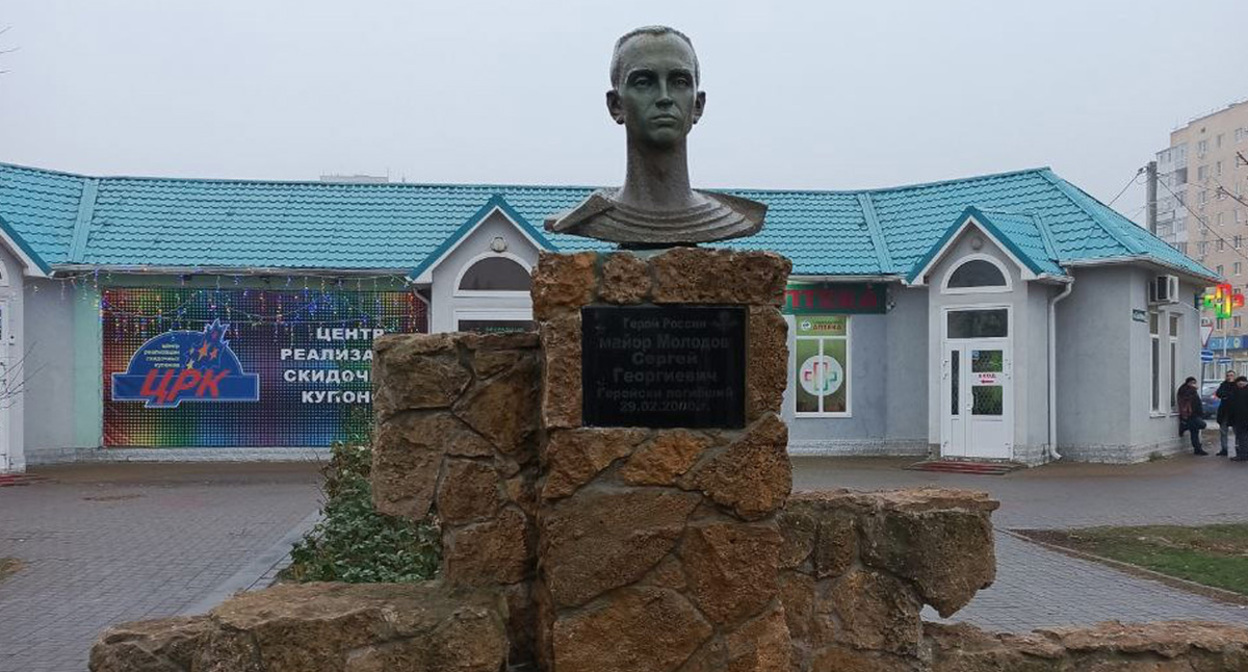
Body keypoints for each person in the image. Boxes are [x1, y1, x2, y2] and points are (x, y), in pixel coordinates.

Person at [1177, 376, 1208, 455]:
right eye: (1191, 383)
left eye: (1194, 383)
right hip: (1189, 414)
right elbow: (1185, 398)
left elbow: (1196, 402)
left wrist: (1201, 412)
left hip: (1195, 413)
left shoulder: (1193, 391)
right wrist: (1193, 389)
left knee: (1195, 432)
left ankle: (1197, 449)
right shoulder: (1184, 390)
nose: (1193, 384)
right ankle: (1185, 426)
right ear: (1187, 383)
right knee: (1202, 425)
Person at [1216, 370, 1237, 456]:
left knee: (1237, 432)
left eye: (1231, 375)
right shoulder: (1223, 384)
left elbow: (1235, 395)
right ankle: (1224, 449)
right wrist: (1228, 395)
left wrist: (1227, 395)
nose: (1229, 377)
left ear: (1234, 376)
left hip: (1235, 413)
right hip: (1224, 412)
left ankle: (1239, 449)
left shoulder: (1237, 385)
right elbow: (1219, 393)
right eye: (1228, 375)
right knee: (1223, 432)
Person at [1227, 376, 1248, 461]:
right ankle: (1243, 454)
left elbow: (1236, 406)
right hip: (1241, 418)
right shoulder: (1238, 391)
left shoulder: (1238, 392)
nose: (1240, 385)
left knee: (1241, 437)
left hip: (1241, 418)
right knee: (1243, 437)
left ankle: (1243, 454)